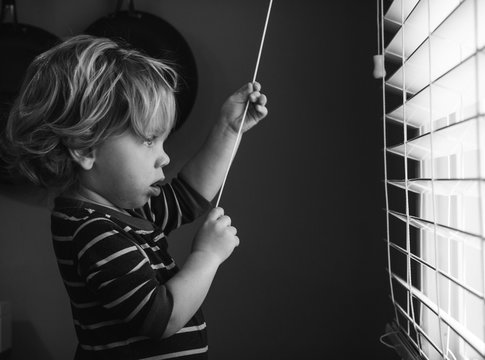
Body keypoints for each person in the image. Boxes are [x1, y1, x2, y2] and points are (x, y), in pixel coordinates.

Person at [1, 35, 268, 359]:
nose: (165, 158)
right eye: (148, 141)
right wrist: (207, 256)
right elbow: (160, 318)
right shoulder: (91, 232)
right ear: (86, 148)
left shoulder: (121, 212)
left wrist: (229, 128)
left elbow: (188, 196)